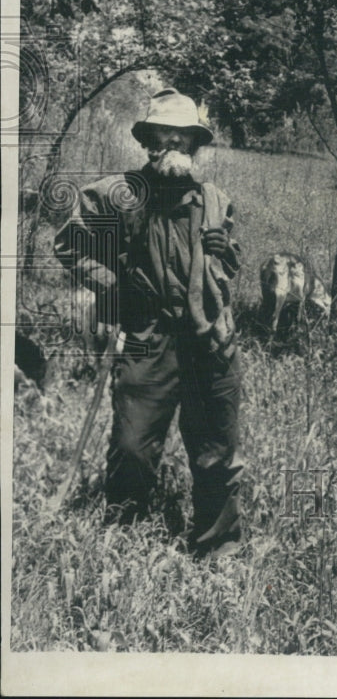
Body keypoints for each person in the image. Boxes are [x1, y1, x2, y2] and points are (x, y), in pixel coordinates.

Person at [54, 88, 245, 558]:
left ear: (195, 146)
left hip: (210, 339)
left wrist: (226, 252)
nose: (175, 144)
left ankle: (217, 549)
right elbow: (68, 245)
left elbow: (230, 266)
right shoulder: (118, 195)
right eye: (166, 135)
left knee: (216, 450)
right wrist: (112, 286)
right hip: (148, 336)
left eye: (185, 137)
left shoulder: (215, 200)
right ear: (149, 141)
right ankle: (122, 537)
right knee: (133, 446)